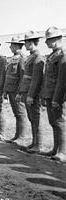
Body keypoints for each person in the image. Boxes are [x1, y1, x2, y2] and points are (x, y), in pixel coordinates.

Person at [40, 26, 66, 162]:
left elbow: (61, 81)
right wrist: (45, 95)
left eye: (48, 40)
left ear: (56, 39)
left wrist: (57, 99)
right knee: (53, 122)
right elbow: (47, 78)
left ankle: (63, 152)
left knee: (60, 122)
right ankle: (56, 149)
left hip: (57, 95)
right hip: (49, 93)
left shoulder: (63, 55)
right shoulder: (52, 56)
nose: (46, 43)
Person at [16, 31, 44, 153]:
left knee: (35, 117)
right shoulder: (31, 56)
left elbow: (37, 79)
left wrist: (31, 95)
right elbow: (26, 77)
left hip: (32, 93)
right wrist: (22, 91)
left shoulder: (37, 57)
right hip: (27, 91)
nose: (25, 45)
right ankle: (34, 142)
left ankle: (39, 145)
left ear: (31, 42)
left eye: (26, 42)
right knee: (31, 117)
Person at [3, 36, 27, 145]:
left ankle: (21, 138)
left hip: (17, 91)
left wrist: (20, 92)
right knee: (16, 113)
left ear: (18, 46)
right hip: (10, 89)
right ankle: (17, 136)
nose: (10, 47)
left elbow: (22, 77)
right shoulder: (12, 59)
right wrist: (5, 90)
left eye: (12, 45)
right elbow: (8, 76)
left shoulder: (22, 59)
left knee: (21, 113)